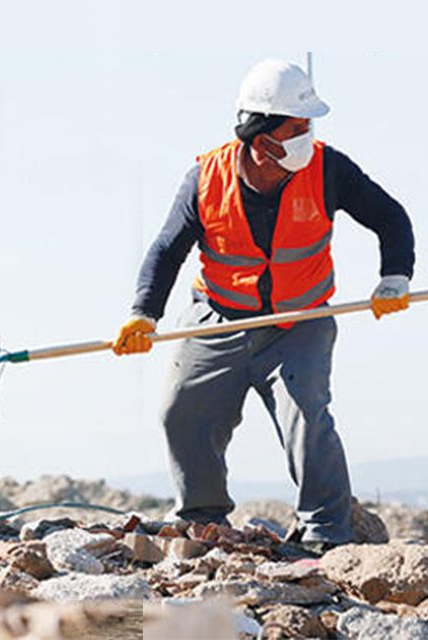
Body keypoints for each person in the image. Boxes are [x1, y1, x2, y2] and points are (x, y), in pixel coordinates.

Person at [112, 59, 415, 550]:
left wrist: (394, 277)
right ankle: (203, 520)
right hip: (217, 315)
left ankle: (326, 536)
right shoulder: (204, 179)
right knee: (180, 411)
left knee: (307, 416)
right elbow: (167, 249)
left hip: (301, 320)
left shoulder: (328, 167)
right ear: (262, 137)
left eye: (308, 125)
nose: (307, 135)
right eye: (297, 127)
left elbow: (390, 217)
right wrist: (143, 313)